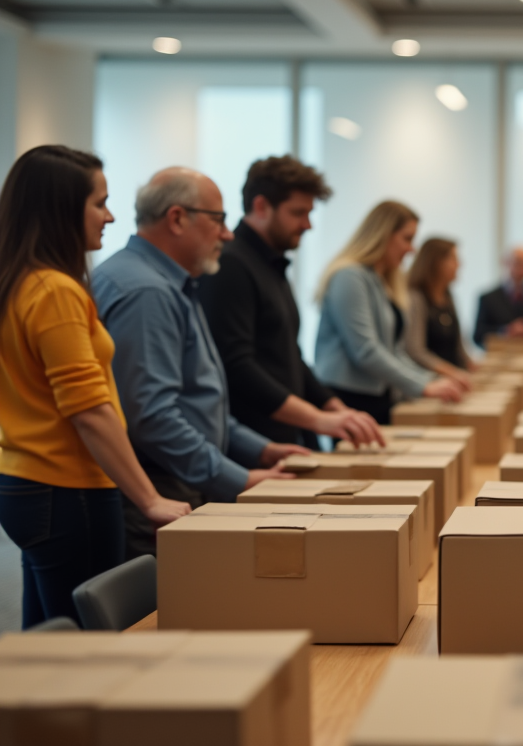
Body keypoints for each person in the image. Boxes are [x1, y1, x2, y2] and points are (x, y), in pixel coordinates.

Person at [0, 146, 190, 627]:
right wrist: (149, 498)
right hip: (69, 487)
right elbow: (88, 409)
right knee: (86, 646)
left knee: (50, 633)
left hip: (29, 483)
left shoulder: (19, 282)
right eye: (99, 203)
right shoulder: (55, 291)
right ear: (63, 209)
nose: (109, 216)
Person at [93, 167, 309, 558]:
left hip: (172, 479)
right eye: (218, 220)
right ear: (177, 218)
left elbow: (197, 400)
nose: (227, 234)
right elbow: (153, 417)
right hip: (161, 485)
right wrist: (238, 478)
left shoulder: (169, 283)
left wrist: (262, 450)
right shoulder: (148, 292)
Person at [198, 156, 382, 448]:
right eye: (298, 213)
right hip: (253, 446)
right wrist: (316, 418)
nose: (307, 224)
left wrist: (334, 406)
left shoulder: (272, 263)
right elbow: (236, 366)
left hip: (288, 435)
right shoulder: (231, 265)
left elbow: (288, 356)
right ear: (261, 206)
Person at [315, 202, 464, 425]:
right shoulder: (350, 276)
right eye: (407, 239)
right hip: (350, 397)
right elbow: (366, 350)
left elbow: (394, 350)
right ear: (382, 234)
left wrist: (429, 379)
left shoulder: (381, 279)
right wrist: (423, 385)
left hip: (379, 393)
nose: (412, 250)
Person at [405, 237, 475, 386]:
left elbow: (458, 345)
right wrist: (452, 372)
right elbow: (415, 351)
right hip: (430, 384)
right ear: (436, 262)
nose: (459, 264)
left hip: (454, 381)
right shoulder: (416, 298)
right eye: (454, 259)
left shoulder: (448, 296)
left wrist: (471, 364)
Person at [473, 246, 523, 347]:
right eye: (517, 263)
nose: (521, 269)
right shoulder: (488, 298)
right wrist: (505, 331)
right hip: (499, 357)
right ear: (506, 263)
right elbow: (477, 336)